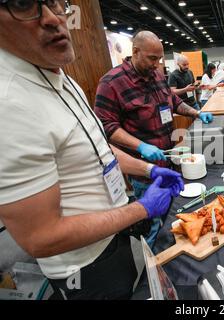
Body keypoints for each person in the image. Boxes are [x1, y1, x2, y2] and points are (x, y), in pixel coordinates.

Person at [0, 1, 184, 300]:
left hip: (114, 236)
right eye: (24, 4)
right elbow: (40, 237)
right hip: (84, 266)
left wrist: (148, 168)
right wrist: (141, 208)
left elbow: (98, 147)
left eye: (55, 3)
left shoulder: (61, 77)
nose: (51, 18)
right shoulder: (9, 103)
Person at [94, 31, 213, 247]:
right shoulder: (111, 83)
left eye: (159, 59)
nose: (157, 64)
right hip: (143, 173)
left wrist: (196, 113)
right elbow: (105, 127)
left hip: (168, 164)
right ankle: (154, 270)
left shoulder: (157, 75)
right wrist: (140, 145)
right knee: (152, 227)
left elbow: (173, 101)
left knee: (171, 220)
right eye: (152, 58)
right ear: (135, 51)